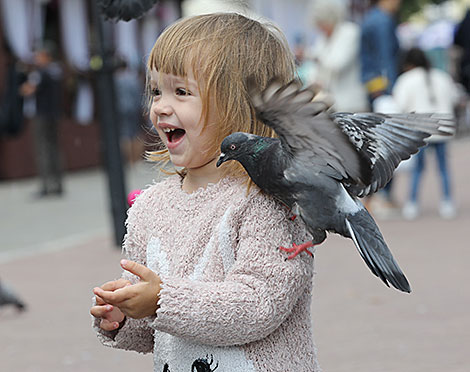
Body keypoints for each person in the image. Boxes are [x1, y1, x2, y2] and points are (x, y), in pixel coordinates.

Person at [90, 13, 320, 371]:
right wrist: (125, 315)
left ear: (241, 107)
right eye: (155, 90)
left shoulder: (267, 200)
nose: (160, 106)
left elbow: (259, 304)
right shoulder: (150, 206)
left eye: (181, 92)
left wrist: (161, 300)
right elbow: (157, 329)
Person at [392, 47, 458, 219]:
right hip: (443, 128)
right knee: (443, 167)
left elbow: (399, 104)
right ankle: (447, 202)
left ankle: (412, 203)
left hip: (420, 130)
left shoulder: (406, 80)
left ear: (408, 63)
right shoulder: (442, 76)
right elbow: (455, 97)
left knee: (418, 170)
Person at [360, 0, 402, 215]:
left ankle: (375, 196)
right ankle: (381, 196)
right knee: (388, 143)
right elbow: (387, 57)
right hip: (384, 89)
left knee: (374, 144)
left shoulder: (370, 19)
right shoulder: (383, 21)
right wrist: (392, 89)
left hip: (372, 87)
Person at [307, 0, 368, 112]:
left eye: (323, 23)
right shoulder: (322, 38)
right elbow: (314, 66)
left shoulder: (350, 32)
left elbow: (337, 64)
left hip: (350, 103)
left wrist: (315, 57)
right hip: (329, 104)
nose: (321, 28)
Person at [20, 42, 63, 197]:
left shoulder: (41, 72)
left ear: (46, 56)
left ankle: (46, 185)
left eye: (39, 55)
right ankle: (58, 184)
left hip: (42, 115)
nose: (37, 59)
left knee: (43, 150)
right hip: (54, 113)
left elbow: (27, 89)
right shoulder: (56, 70)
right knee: (55, 149)